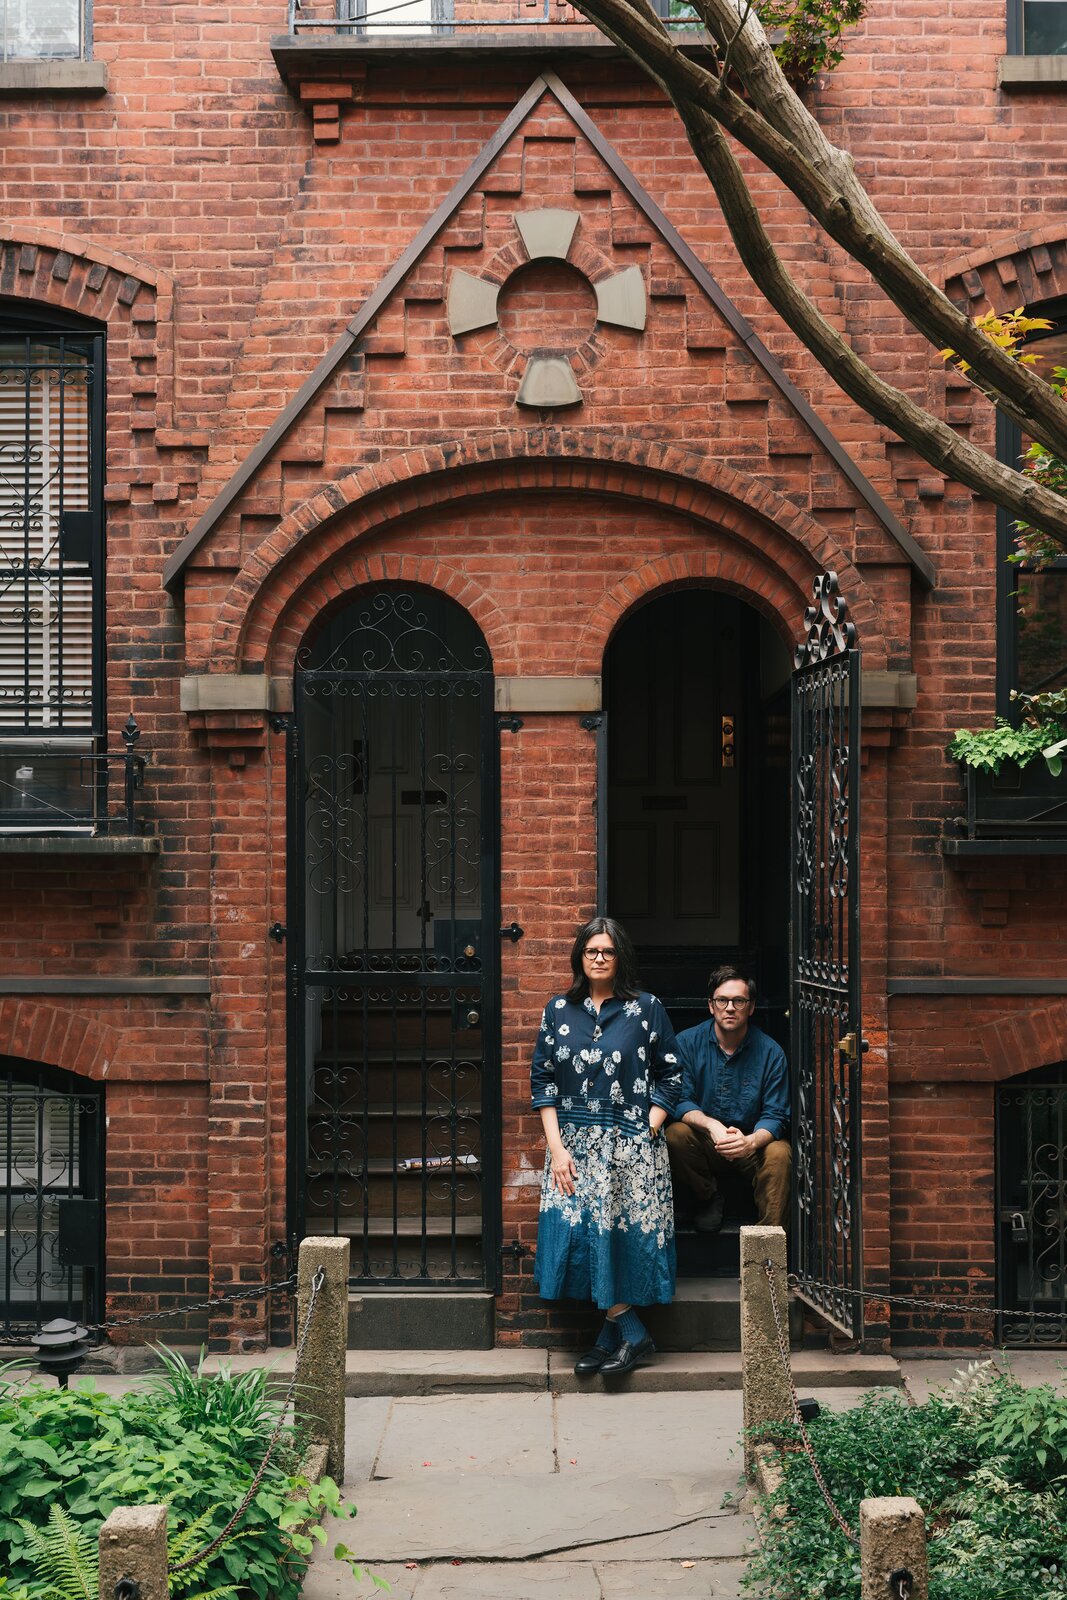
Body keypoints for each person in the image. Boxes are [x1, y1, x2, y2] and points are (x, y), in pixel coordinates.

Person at [531, 916, 682, 1379]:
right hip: (573, 1147)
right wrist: (557, 1151)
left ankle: (612, 1337)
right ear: (579, 956)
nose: (599, 958)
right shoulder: (557, 1009)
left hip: (631, 1145)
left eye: (608, 952)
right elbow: (542, 1082)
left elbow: (671, 1076)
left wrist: (647, 1131)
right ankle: (627, 1332)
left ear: (620, 959)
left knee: (621, 1240)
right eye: (591, 951)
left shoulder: (647, 1008)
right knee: (582, 1238)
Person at [665, 965, 790, 1231]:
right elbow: (679, 1099)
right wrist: (713, 1126)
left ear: (751, 1007)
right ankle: (708, 1198)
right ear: (711, 1005)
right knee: (675, 1133)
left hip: (751, 1145)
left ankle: (767, 1242)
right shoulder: (686, 1043)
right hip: (706, 1142)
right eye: (722, 1000)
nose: (730, 1008)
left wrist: (750, 1141)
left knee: (780, 1153)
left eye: (739, 1001)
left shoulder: (771, 1052)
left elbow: (776, 1114)